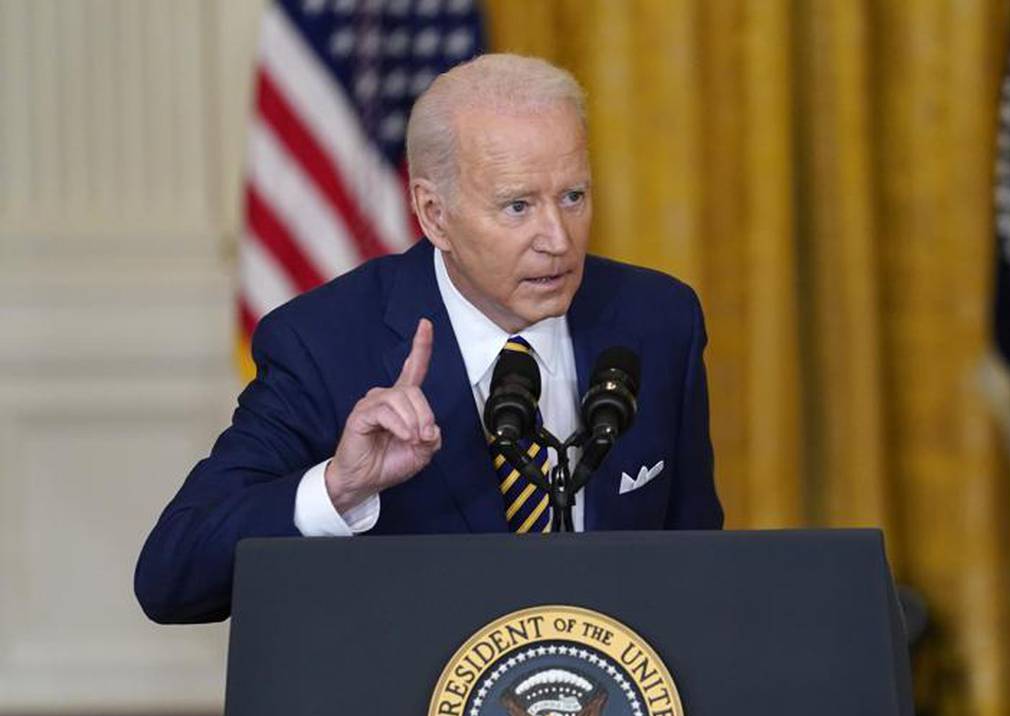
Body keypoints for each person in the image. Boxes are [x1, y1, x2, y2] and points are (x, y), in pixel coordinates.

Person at [135, 54, 723, 624]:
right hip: (410, 715)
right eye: (518, 206)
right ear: (434, 213)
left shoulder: (656, 320)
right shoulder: (325, 345)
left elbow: (696, 563)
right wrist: (339, 488)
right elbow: (171, 576)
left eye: (573, 196)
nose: (558, 239)